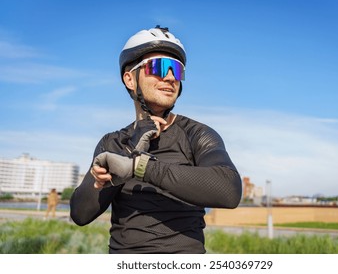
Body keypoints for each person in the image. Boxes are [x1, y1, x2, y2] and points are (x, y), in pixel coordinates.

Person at [70, 25, 242, 254]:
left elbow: (228, 190)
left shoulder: (197, 134)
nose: (170, 77)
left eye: (177, 70)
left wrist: (139, 167)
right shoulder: (113, 142)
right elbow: (80, 215)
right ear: (130, 79)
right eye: (159, 66)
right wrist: (129, 149)